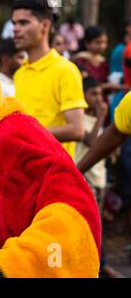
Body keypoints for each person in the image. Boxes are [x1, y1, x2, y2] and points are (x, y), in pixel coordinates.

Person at [12, 0, 87, 159]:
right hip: (25, 173)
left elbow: (77, 129)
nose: (16, 29)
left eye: (23, 23)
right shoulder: (20, 73)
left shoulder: (65, 69)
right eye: (14, 23)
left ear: (45, 26)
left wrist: (23, 134)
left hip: (55, 176)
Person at [74, 77, 124, 278]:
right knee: (88, 226)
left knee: (98, 225)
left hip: (99, 177)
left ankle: (99, 264)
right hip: (87, 178)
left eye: (99, 94)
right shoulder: (82, 119)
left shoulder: (96, 120)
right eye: (92, 94)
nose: (97, 98)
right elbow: (91, 141)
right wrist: (103, 116)